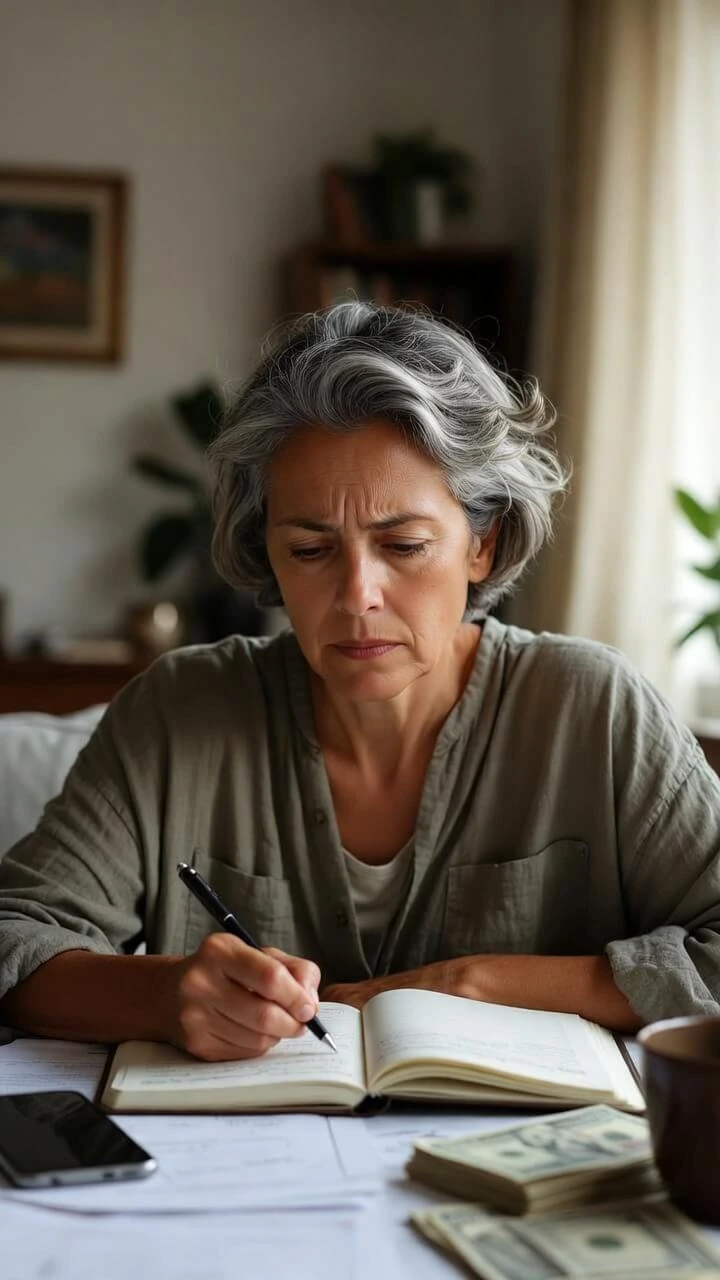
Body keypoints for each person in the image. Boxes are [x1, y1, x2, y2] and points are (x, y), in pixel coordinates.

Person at [1, 302, 719, 1063]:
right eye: (310, 550)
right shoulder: (179, 712)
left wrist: (475, 983)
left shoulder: (594, 710)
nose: (356, 596)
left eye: (403, 545)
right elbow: (15, 935)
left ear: (485, 542)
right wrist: (168, 993)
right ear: (266, 552)